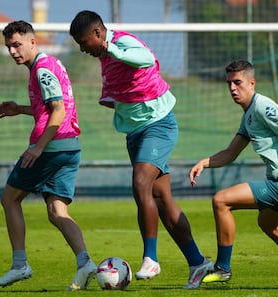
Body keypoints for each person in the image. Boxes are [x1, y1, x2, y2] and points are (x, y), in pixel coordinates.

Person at [69, 10, 213, 289]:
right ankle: (198, 262)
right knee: (162, 199)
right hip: (136, 133)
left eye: (84, 42)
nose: (82, 49)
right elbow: (123, 86)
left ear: (99, 34)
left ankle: (151, 257)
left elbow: (146, 59)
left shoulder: (122, 42)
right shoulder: (105, 58)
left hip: (158, 126)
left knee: (140, 183)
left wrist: (112, 49)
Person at [189, 60, 278, 284]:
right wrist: (204, 163)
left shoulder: (263, 107)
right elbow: (230, 153)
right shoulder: (248, 116)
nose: (232, 88)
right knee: (268, 224)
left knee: (221, 200)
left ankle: (223, 268)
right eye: (229, 83)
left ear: (252, 83)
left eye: (238, 83)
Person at [0, 20, 96, 290]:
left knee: (9, 199)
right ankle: (85, 262)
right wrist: (20, 109)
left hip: (50, 147)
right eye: (9, 47)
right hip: (70, 146)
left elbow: (58, 110)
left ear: (32, 41)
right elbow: (49, 107)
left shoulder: (42, 69)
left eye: (17, 44)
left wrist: (38, 147)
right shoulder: (50, 64)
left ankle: (19, 265)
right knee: (56, 210)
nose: (13, 51)